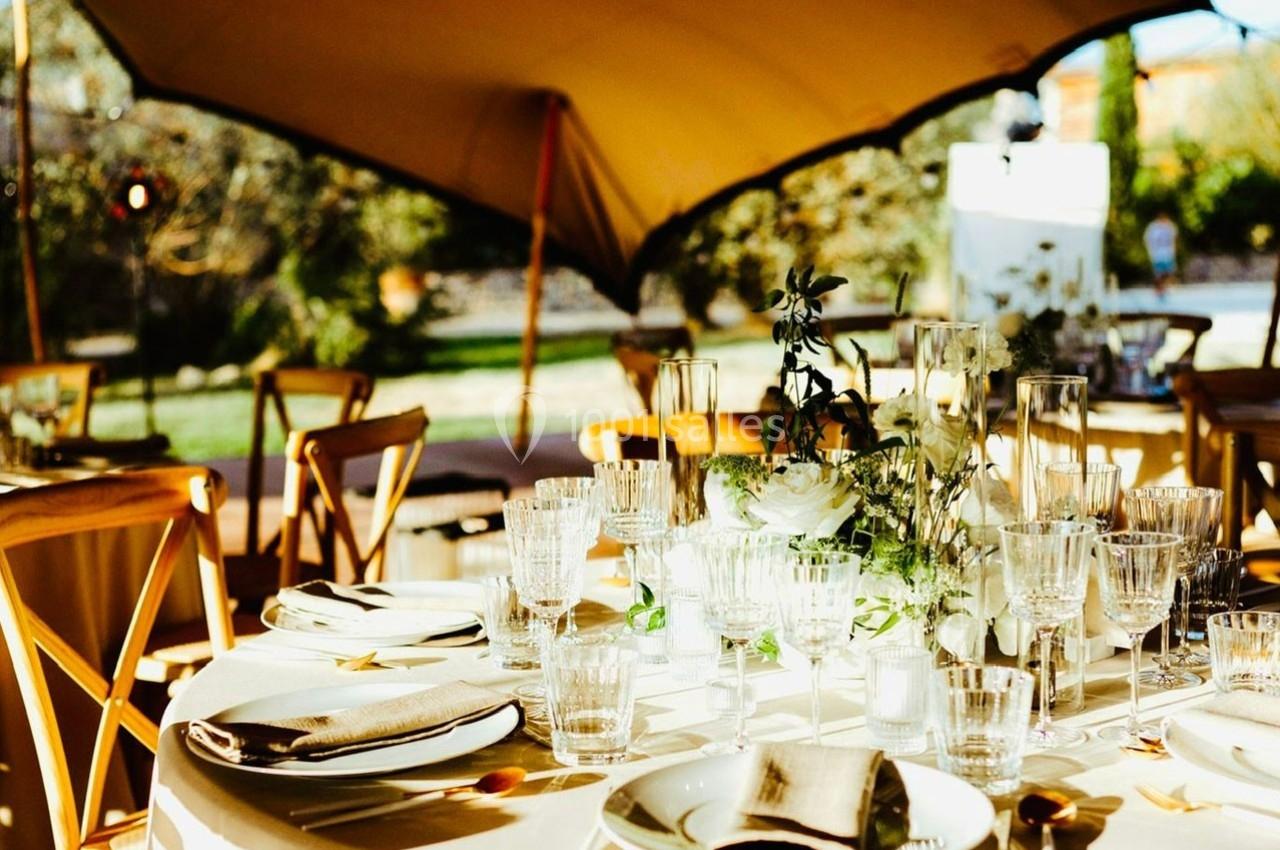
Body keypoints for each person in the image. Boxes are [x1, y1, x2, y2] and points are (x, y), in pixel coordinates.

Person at [1143, 210, 1179, 299]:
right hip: (1157, 254)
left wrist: (1173, 251)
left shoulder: (1170, 226)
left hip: (1168, 253)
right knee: (1158, 274)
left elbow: (1174, 239)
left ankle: (1166, 288)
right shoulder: (1152, 227)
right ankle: (1158, 290)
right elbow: (1147, 240)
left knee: (1169, 272)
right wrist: (1151, 251)